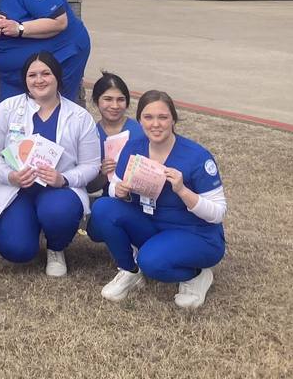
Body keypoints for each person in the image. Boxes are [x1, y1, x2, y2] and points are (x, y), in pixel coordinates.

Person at [89, 91, 226, 309]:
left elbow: (218, 213)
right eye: (148, 117)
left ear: (173, 119)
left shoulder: (197, 156)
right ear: (140, 120)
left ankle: (196, 274)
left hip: (195, 233)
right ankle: (130, 270)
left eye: (162, 117)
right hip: (152, 225)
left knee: (151, 262)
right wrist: (119, 190)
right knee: (104, 207)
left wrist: (182, 190)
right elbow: (115, 186)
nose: (155, 124)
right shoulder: (134, 148)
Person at [0, 51, 100, 277]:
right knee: (17, 250)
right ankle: (28, 229)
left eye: (46, 73)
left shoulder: (79, 117)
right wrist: (9, 175)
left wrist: (63, 179)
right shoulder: (7, 109)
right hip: (16, 189)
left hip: (58, 191)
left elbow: (91, 165)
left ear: (57, 77)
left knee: (59, 212)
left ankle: (56, 247)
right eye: (32, 75)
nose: (39, 80)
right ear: (25, 79)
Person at [87, 72, 145, 199]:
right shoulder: (90, 135)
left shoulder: (140, 132)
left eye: (120, 100)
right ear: (97, 101)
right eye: (108, 99)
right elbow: (89, 188)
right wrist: (103, 174)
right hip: (109, 199)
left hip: (141, 200)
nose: (115, 106)